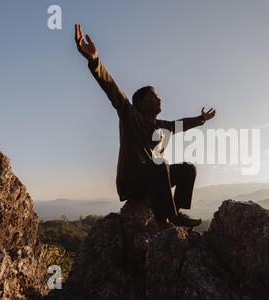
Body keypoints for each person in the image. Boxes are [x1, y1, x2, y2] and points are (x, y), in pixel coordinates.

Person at [75, 24, 216, 228]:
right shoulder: (129, 114)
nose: (159, 99)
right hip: (132, 183)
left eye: (158, 96)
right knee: (159, 164)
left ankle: (176, 213)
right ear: (140, 102)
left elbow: (180, 125)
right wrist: (94, 60)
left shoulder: (161, 125)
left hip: (153, 179)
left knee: (187, 169)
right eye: (152, 96)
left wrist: (200, 119)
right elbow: (111, 88)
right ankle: (163, 221)